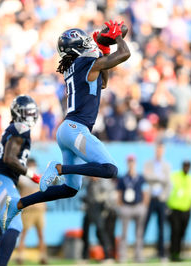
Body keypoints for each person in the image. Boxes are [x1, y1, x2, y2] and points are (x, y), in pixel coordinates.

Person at [12, 20, 131, 217]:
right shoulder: (84, 63)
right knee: (110, 169)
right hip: (76, 128)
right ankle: (58, 168)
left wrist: (104, 48)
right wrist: (117, 36)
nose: (87, 43)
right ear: (76, 47)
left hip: (68, 129)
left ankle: (20, 204)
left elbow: (103, 82)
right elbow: (125, 54)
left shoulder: (76, 66)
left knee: (70, 189)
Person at [0, 95, 41, 266]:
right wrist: (33, 175)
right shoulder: (21, 128)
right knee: (15, 225)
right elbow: (9, 158)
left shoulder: (13, 128)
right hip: (2, 182)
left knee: (8, 229)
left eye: (32, 112)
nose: (31, 115)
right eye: (28, 112)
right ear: (18, 113)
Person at [116, 155, 148, 263]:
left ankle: (138, 256)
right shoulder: (123, 178)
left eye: (132, 161)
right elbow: (119, 193)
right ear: (127, 163)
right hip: (126, 206)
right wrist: (120, 205)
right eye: (129, 161)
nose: (131, 163)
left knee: (139, 233)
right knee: (124, 233)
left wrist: (144, 205)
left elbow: (145, 192)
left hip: (138, 205)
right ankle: (123, 256)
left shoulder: (140, 177)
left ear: (135, 163)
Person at [143, 141, 171, 260]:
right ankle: (139, 251)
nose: (159, 152)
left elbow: (168, 182)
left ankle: (161, 253)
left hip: (161, 198)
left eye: (161, 150)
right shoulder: (149, 163)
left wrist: (164, 196)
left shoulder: (167, 165)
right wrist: (159, 177)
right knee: (144, 225)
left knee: (161, 227)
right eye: (157, 149)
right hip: (150, 198)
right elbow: (146, 177)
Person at [16, 158, 47, 265]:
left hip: (39, 209)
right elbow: (21, 182)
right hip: (28, 209)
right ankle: (19, 256)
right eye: (31, 165)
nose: (33, 167)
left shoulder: (40, 176)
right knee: (24, 233)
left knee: (41, 234)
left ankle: (43, 256)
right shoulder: (23, 178)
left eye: (34, 165)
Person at [167, 160, 191, 262]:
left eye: (188, 166)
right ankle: (173, 253)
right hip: (175, 208)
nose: (186, 168)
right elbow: (169, 190)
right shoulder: (175, 176)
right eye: (185, 166)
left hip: (185, 210)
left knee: (182, 232)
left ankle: (178, 252)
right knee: (175, 231)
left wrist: (190, 209)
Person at [81, 177, 114, 262]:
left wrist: (105, 210)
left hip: (99, 208)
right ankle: (85, 257)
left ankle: (108, 256)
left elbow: (108, 196)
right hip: (89, 208)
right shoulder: (88, 182)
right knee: (85, 233)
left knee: (100, 232)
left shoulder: (104, 182)